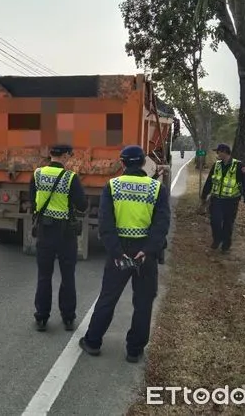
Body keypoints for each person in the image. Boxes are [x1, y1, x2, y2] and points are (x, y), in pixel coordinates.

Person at [79, 145, 171, 363]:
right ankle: (134, 350)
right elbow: (161, 225)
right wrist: (147, 251)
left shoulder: (112, 186)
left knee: (108, 297)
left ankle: (92, 342)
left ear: (122, 163)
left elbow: (105, 224)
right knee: (143, 302)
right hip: (144, 254)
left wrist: (117, 252)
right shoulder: (156, 189)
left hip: (119, 252)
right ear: (142, 163)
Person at [29, 144, 87, 332]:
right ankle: (68, 318)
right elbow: (82, 205)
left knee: (44, 276)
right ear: (63, 156)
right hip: (65, 234)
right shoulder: (70, 178)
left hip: (45, 232)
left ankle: (41, 318)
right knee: (67, 277)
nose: (70, 158)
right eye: (69, 155)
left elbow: (32, 199)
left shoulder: (37, 174)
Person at [200, 143, 245, 253]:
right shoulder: (216, 165)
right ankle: (217, 239)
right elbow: (209, 181)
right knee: (215, 221)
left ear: (224, 152)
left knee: (228, 223)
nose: (217, 154)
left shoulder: (239, 166)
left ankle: (226, 245)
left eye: (218, 152)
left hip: (231, 201)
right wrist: (204, 195)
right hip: (217, 199)